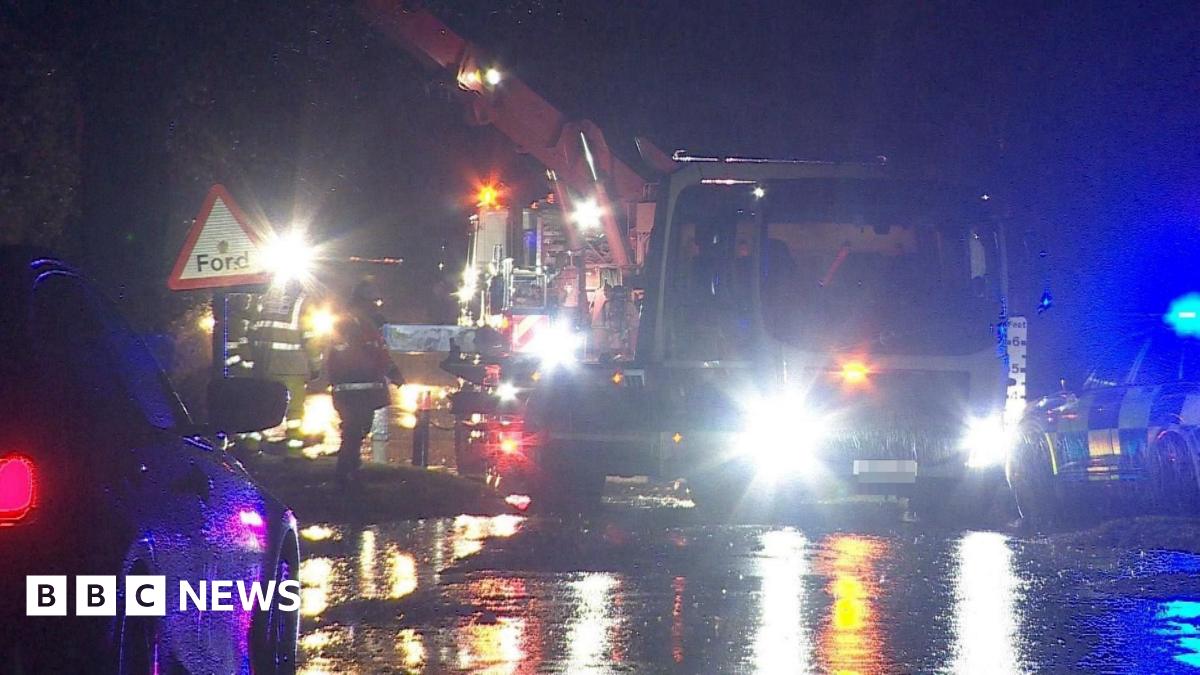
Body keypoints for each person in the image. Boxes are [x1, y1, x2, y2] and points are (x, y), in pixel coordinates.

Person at [326, 280, 402, 486]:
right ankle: (346, 473)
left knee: (356, 429)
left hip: (353, 388)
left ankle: (350, 468)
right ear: (365, 302)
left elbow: (377, 353)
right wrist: (392, 372)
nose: (376, 306)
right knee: (354, 429)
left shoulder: (358, 322)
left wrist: (392, 372)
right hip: (357, 388)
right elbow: (373, 353)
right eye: (374, 301)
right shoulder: (355, 323)